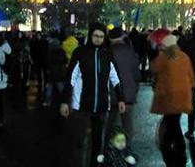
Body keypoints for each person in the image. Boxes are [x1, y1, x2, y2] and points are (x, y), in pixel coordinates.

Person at [60, 24, 126, 166]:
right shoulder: (80, 52)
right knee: (81, 141)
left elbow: (115, 77)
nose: (98, 39)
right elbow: (70, 77)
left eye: (101, 37)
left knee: (97, 142)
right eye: (96, 36)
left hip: (101, 106)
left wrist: (121, 98)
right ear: (90, 36)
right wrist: (65, 101)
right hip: (82, 105)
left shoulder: (107, 53)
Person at [150, 33, 194, 167]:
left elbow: (153, 68)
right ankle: (170, 144)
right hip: (182, 96)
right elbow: (191, 76)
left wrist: (156, 51)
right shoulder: (184, 56)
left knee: (173, 123)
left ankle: (177, 149)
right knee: (173, 121)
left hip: (170, 97)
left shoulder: (164, 57)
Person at [107, 27, 140, 148]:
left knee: (109, 122)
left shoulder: (106, 52)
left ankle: (108, 148)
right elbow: (136, 73)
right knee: (127, 123)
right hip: (128, 92)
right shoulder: (130, 51)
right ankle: (127, 148)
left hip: (111, 92)